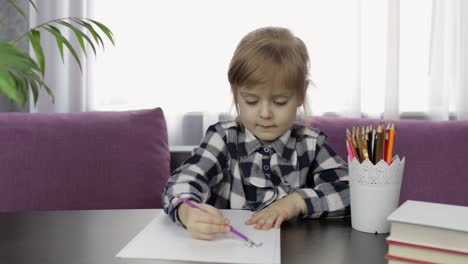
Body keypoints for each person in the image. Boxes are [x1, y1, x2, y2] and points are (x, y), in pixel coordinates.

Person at [162, 26, 350, 240]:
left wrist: (297, 201)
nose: (265, 113)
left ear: (301, 94)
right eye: (251, 101)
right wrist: (189, 211)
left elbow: (351, 191)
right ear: (236, 95)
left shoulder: (311, 145)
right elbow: (181, 182)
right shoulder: (223, 139)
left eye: (280, 101)